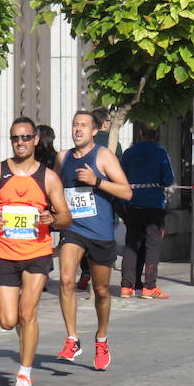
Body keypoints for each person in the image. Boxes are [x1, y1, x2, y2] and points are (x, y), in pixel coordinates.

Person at [0, 117, 72, 386]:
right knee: (8, 320)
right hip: (4, 252)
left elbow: (66, 217)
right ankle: (26, 337)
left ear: (35, 140)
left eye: (25, 137)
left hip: (37, 252)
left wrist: (51, 217)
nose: (20, 143)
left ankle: (24, 374)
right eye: (15, 138)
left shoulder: (48, 177)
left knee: (28, 312)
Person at [55, 110, 133, 370]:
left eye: (83, 125)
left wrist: (97, 181)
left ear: (94, 131)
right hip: (73, 228)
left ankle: (101, 338)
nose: (78, 129)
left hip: (100, 233)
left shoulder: (103, 156)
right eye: (75, 124)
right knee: (66, 279)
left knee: (101, 291)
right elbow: (54, 189)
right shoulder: (63, 157)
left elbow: (126, 191)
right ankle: (72, 339)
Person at [120, 124, 175, 299]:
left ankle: (126, 286)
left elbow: (121, 177)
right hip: (154, 206)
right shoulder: (161, 153)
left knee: (131, 245)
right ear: (157, 134)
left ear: (140, 133)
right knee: (152, 245)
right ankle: (149, 286)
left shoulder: (128, 153)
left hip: (132, 205)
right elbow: (168, 179)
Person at [76, 108, 122, 293]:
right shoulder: (112, 144)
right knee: (102, 237)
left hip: (81, 198)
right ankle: (99, 272)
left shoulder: (82, 144)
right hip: (104, 199)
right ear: (104, 124)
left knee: (80, 235)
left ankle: (85, 271)